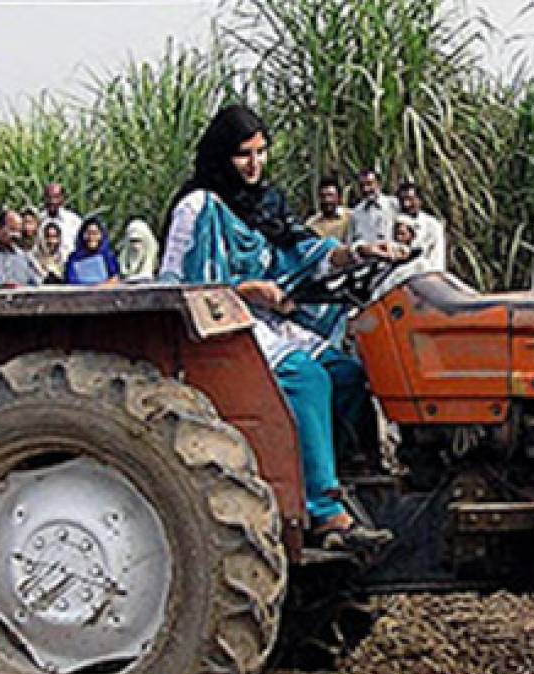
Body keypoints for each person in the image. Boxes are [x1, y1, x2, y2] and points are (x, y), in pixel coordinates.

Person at [160, 104, 399, 551]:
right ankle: (321, 510)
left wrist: (360, 253)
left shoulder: (265, 205)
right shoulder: (198, 208)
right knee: (306, 379)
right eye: (243, 155)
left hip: (271, 320)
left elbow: (305, 252)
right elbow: (177, 282)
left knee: (348, 374)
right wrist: (247, 289)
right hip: (223, 324)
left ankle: (359, 480)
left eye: (261, 152)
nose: (255, 164)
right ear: (222, 156)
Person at [0, 209, 42, 289]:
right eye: (12, 229)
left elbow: (36, 284)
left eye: (19, 231)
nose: (16, 235)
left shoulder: (23, 257)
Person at [397, 182, 447, 272]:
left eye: (410, 199)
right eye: (402, 200)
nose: (406, 204)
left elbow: (437, 261)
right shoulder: (394, 223)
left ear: (419, 200)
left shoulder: (433, 226)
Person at [348, 168, 399, 246]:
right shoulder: (356, 212)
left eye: (369, 184)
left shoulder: (393, 204)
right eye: (362, 185)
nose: (365, 189)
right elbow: (350, 242)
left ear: (379, 184)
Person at [65, 217, 121, 286]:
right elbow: (70, 280)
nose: (91, 237)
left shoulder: (108, 256)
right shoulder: (74, 257)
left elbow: (115, 279)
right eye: (88, 233)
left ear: (102, 235)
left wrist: (99, 287)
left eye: (95, 233)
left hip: (104, 292)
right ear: (82, 234)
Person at [40, 182, 84, 260]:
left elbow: (83, 247)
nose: (52, 201)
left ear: (62, 198)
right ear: (44, 198)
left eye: (56, 197)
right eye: (48, 197)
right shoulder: (38, 220)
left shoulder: (74, 221)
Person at [306, 176, 352, 242]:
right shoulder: (311, 224)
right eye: (323, 196)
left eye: (330, 195)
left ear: (339, 197)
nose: (327, 200)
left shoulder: (350, 216)